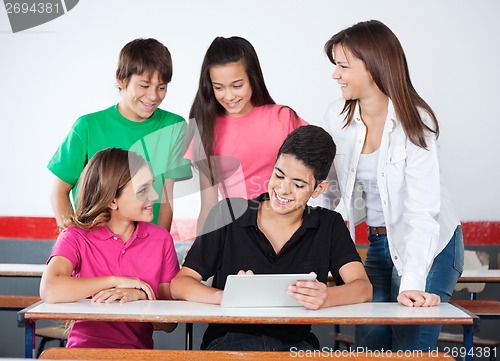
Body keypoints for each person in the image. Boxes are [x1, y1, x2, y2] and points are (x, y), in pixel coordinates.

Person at [321, 20, 464, 351]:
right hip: (379, 244)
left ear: (373, 67)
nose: (335, 75)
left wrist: (412, 282)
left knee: (408, 348)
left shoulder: (416, 121)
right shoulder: (336, 118)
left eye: (343, 66)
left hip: (430, 247)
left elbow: (422, 211)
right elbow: (328, 192)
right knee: (370, 347)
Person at [171, 125, 372, 351]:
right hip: (230, 342)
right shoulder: (227, 214)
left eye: (298, 184)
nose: (283, 190)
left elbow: (363, 288)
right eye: (279, 175)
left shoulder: (329, 225)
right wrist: (228, 296)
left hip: (296, 346)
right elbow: (180, 284)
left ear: (319, 189)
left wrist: (327, 296)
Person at [40, 148, 180, 349]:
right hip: (82, 353)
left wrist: (140, 296)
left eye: (152, 186)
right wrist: (115, 281)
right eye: (143, 190)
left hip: (137, 355)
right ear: (112, 200)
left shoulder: (161, 239)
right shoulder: (75, 236)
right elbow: (50, 290)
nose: (155, 195)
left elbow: (169, 324)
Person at [48, 38, 192, 231]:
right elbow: (59, 191)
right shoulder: (87, 127)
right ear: (121, 80)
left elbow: (167, 198)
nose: (153, 96)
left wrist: (159, 246)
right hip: (94, 246)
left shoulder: (175, 126)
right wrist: (73, 241)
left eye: (162, 87)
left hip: (144, 245)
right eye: (144, 85)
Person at [186, 36, 308, 233]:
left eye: (237, 85)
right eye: (219, 87)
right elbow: (208, 206)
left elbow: (312, 175)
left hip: (286, 228)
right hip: (236, 233)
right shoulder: (204, 130)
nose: (229, 96)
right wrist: (199, 252)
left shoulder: (282, 118)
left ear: (253, 78)